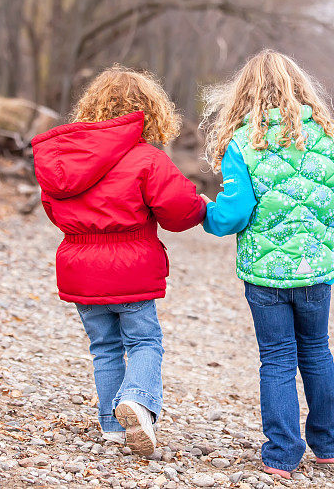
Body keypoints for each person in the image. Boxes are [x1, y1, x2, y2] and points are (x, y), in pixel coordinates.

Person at [200, 50, 334, 478]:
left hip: (264, 274)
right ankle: (329, 447)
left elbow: (234, 213)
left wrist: (207, 215)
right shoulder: (329, 137)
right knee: (316, 351)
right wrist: (315, 222)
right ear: (301, 88)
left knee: (276, 358)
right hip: (314, 269)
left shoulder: (243, 142)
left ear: (245, 94)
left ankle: (282, 455)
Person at [32, 66, 206, 455]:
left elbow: (53, 208)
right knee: (144, 340)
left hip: (80, 265)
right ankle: (137, 402)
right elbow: (177, 212)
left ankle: (112, 426)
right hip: (130, 266)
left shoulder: (63, 160)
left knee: (105, 347)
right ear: (150, 112)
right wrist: (202, 208)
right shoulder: (147, 158)